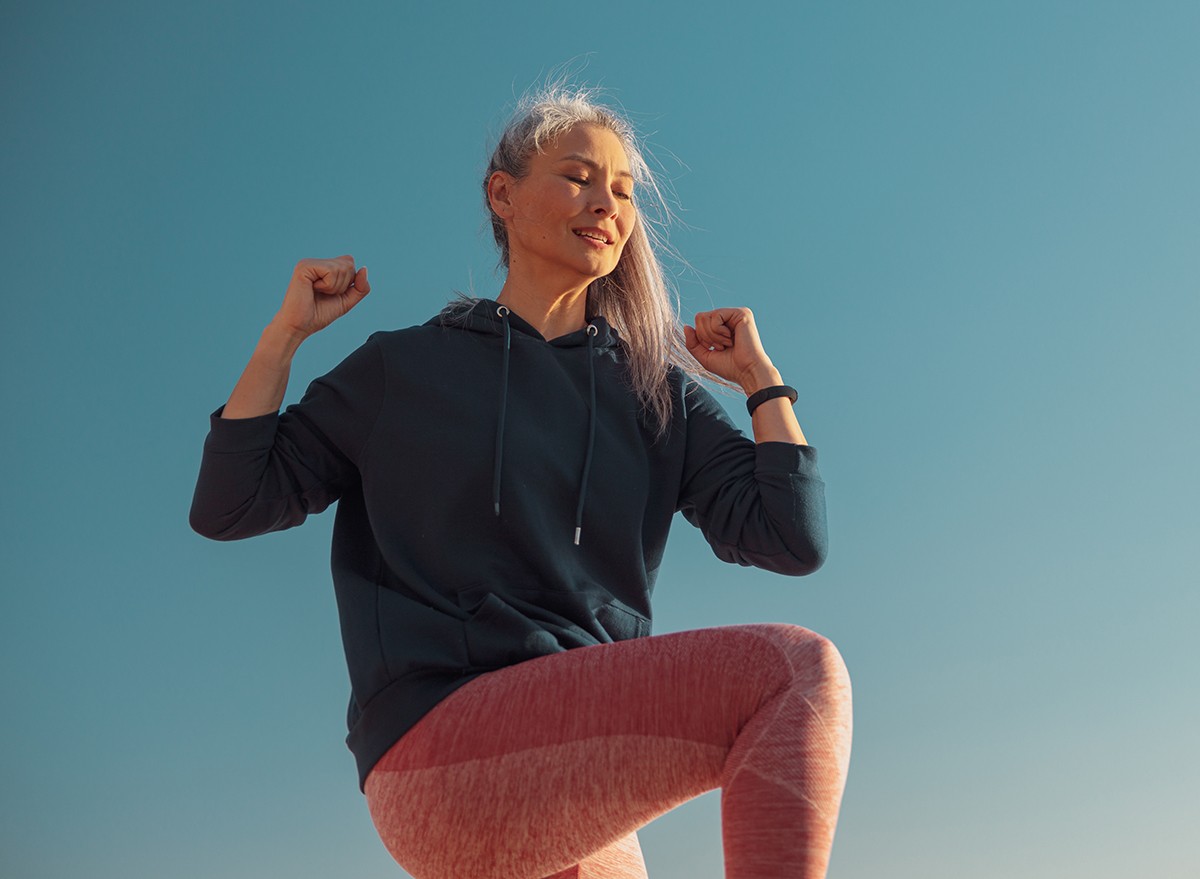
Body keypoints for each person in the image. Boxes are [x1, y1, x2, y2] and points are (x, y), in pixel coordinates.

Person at [190, 85, 852, 879]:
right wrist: (284, 337)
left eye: (623, 189)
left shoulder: (653, 393)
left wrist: (762, 385)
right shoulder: (404, 370)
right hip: (442, 744)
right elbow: (230, 503)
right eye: (577, 175)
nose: (604, 200)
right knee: (791, 674)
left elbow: (792, 536)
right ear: (502, 195)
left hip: (579, 771)